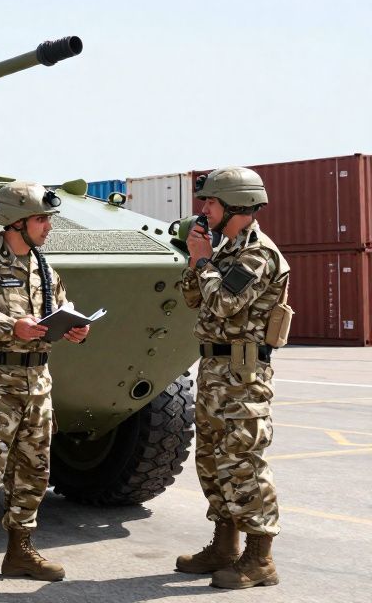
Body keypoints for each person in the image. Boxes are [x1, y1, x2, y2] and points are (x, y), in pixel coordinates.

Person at [0, 181, 90, 593]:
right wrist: (14, 327)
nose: (48, 227)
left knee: (34, 471)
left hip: (38, 384)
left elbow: (58, 312)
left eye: (47, 219)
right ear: (15, 222)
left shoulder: (44, 268)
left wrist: (74, 329)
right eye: (42, 219)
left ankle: (20, 551)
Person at [177, 166, 288, 589]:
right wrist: (197, 260)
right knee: (212, 459)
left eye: (211, 202)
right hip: (215, 371)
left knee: (243, 462)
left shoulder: (257, 254)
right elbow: (193, 297)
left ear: (237, 206)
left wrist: (204, 262)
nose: (204, 209)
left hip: (243, 375)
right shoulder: (225, 251)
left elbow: (223, 303)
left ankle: (260, 558)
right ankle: (224, 546)